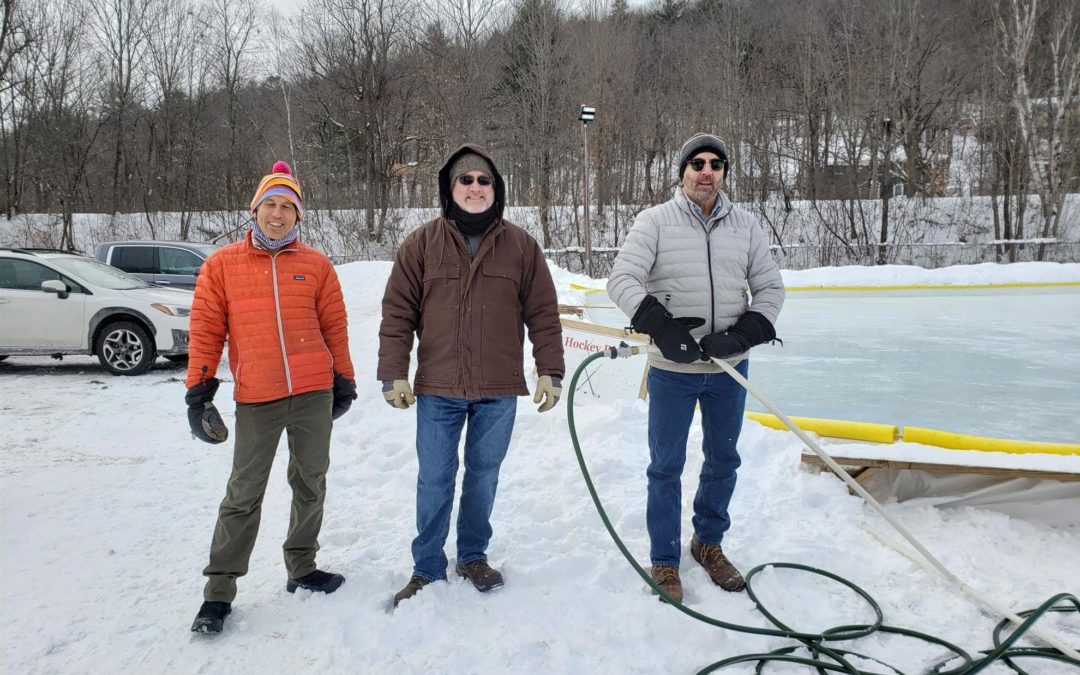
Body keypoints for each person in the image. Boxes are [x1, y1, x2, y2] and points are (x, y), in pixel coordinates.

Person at [378, 145, 564, 609]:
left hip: (498, 388)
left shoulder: (521, 245)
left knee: (483, 476)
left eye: (484, 180)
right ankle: (426, 567)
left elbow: (543, 313)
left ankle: (472, 556)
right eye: (466, 180)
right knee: (435, 478)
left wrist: (551, 370)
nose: (475, 187)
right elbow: (398, 313)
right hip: (438, 385)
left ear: (496, 189)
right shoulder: (421, 243)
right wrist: (393, 373)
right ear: (450, 187)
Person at [607, 133, 785, 603]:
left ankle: (708, 544)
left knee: (723, 460)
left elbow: (770, 288)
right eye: (697, 163)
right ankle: (664, 561)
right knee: (666, 466)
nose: (707, 172)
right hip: (672, 371)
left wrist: (743, 334)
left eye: (716, 164)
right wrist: (661, 327)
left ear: (724, 173)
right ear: (683, 171)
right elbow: (621, 278)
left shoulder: (746, 226)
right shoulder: (656, 221)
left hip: (728, 371)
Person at [185, 161, 358, 633]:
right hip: (257, 396)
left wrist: (343, 378)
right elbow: (206, 331)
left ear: (298, 216)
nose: (278, 214)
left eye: (287, 207)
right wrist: (199, 392)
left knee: (310, 482)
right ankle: (219, 591)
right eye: (270, 205)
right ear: (255, 209)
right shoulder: (222, 266)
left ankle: (301, 567)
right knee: (243, 494)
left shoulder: (316, 266)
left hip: (312, 393)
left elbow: (334, 328)